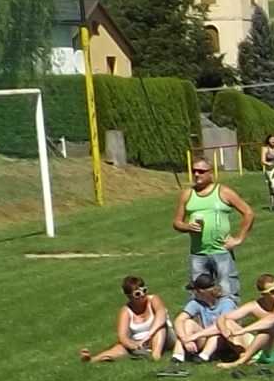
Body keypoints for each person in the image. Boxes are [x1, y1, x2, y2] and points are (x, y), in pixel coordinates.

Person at [173, 154, 255, 304]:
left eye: (201, 171)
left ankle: (229, 318)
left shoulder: (223, 192)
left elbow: (248, 213)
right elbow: (177, 222)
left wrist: (239, 239)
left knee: (227, 292)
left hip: (221, 251)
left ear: (210, 173)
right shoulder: (187, 194)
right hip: (198, 253)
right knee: (198, 295)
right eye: (194, 170)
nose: (197, 174)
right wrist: (187, 226)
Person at [83, 274, 168, 363]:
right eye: (137, 294)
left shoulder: (153, 299)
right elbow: (122, 337)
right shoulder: (126, 311)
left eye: (144, 290)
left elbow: (161, 314)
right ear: (129, 296)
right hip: (139, 342)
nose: (143, 295)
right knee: (120, 347)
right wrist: (134, 346)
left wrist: (148, 336)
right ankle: (92, 359)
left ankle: (155, 356)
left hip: (160, 337)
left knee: (160, 327)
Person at [171, 261, 237, 363]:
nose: (193, 293)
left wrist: (194, 336)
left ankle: (203, 356)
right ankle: (178, 355)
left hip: (224, 338)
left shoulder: (227, 303)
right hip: (204, 337)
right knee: (188, 323)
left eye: (195, 291)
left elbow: (222, 326)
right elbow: (179, 320)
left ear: (201, 292)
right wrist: (185, 338)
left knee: (216, 334)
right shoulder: (196, 303)